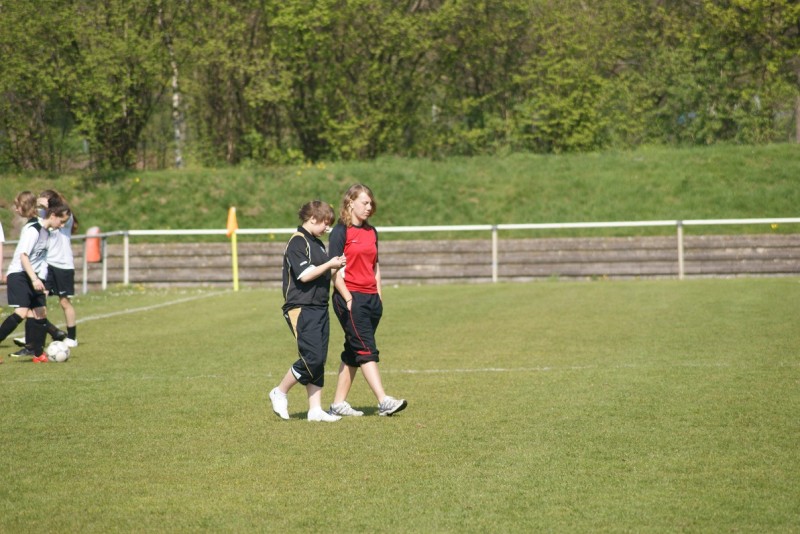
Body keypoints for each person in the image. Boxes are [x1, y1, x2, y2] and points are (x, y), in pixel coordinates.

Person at [328, 184, 407, 417]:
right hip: (350, 298)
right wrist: (348, 298)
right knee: (365, 349)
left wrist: (379, 296)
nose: (369, 207)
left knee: (353, 350)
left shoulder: (372, 232)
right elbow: (333, 270)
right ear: (350, 203)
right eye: (365, 202)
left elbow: (375, 267)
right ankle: (384, 401)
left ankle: (337, 404)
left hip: (371, 300)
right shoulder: (340, 232)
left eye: (371, 203)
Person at [269, 200, 347, 422]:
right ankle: (280, 391)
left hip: (320, 306)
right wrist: (329, 264)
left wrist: (336, 266)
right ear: (313, 218)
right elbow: (304, 275)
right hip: (301, 307)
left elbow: (323, 272)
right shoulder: (298, 241)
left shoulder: (317, 243)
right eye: (325, 223)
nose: (327, 228)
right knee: (312, 357)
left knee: (319, 359)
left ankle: (315, 410)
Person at [0, 191, 71, 362]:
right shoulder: (33, 230)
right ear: (53, 216)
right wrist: (34, 279)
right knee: (22, 312)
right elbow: (23, 256)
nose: (62, 226)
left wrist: (42, 280)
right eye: (61, 221)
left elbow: (41, 259)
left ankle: (38, 354)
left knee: (40, 312)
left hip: (34, 275)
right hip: (20, 274)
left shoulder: (47, 231)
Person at [13, 190, 79, 349]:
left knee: (64, 302)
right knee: (37, 301)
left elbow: (60, 211)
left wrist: (47, 203)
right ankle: (36, 334)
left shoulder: (65, 215)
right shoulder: (43, 215)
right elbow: (31, 214)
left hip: (63, 264)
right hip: (47, 264)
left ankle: (72, 337)